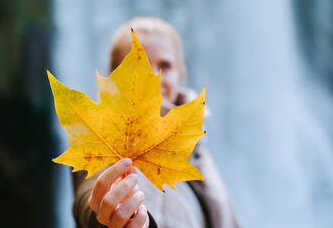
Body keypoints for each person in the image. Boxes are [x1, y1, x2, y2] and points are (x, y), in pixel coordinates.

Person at [72, 17, 240, 228]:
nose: (154, 76)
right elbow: (88, 198)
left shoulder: (198, 151)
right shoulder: (99, 136)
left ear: (180, 74)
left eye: (165, 66)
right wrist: (107, 217)